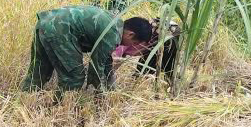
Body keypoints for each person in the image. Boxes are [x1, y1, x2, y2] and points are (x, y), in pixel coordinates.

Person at [23, 6, 154, 94]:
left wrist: (110, 83)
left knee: (39, 67)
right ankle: (59, 109)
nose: (131, 46)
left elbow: (105, 61)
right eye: (134, 43)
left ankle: (26, 96)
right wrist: (101, 92)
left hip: (46, 22)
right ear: (130, 34)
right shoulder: (113, 34)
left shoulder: (114, 21)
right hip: (60, 30)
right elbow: (96, 68)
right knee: (74, 77)